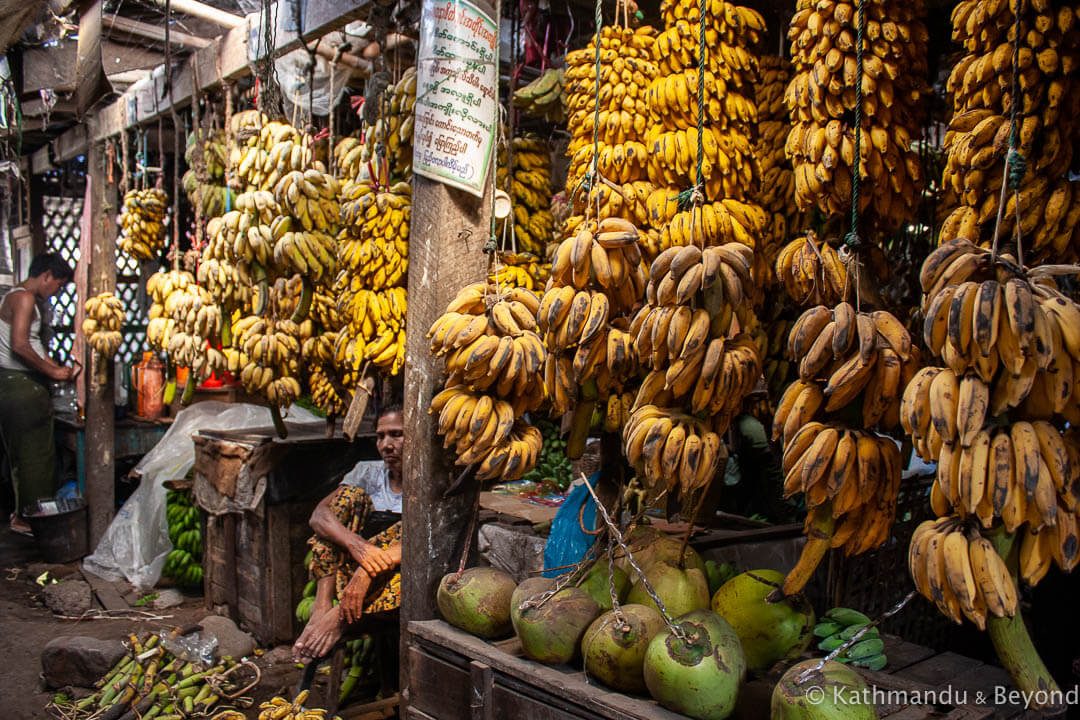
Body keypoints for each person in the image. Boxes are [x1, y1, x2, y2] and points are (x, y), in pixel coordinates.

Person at [293, 404, 404, 662]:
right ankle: (322, 607)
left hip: (392, 583)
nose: (386, 444)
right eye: (380, 436)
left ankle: (339, 617)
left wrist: (367, 571)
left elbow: (424, 544)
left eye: (397, 434)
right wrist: (356, 546)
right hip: (350, 571)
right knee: (343, 503)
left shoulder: (428, 483)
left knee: (407, 530)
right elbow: (319, 517)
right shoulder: (366, 471)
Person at [0, 253, 76, 535]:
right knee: (35, 456)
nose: (55, 291)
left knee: (21, 455)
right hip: (21, 387)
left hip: (13, 384)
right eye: (57, 285)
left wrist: (49, 364)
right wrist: (53, 372)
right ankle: (27, 518)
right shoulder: (25, 297)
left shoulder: (15, 295)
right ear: (46, 275)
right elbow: (19, 344)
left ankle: (21, 512)